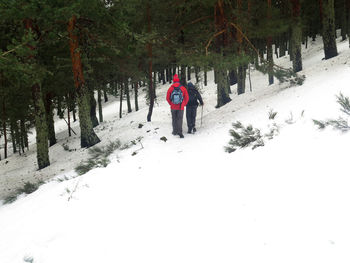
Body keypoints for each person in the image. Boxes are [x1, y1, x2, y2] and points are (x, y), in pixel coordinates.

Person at [166, 74, 189, 138]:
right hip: (180, 107)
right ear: (178, 81)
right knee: (179, 119)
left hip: (173, 107)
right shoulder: (183, 88)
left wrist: (171, 103)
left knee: (174, 119)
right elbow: (187, 97)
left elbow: (167, 98)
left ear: (173, 81)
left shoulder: (170, 88)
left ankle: (174, 131)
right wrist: (184, 104)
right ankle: (180, 131)